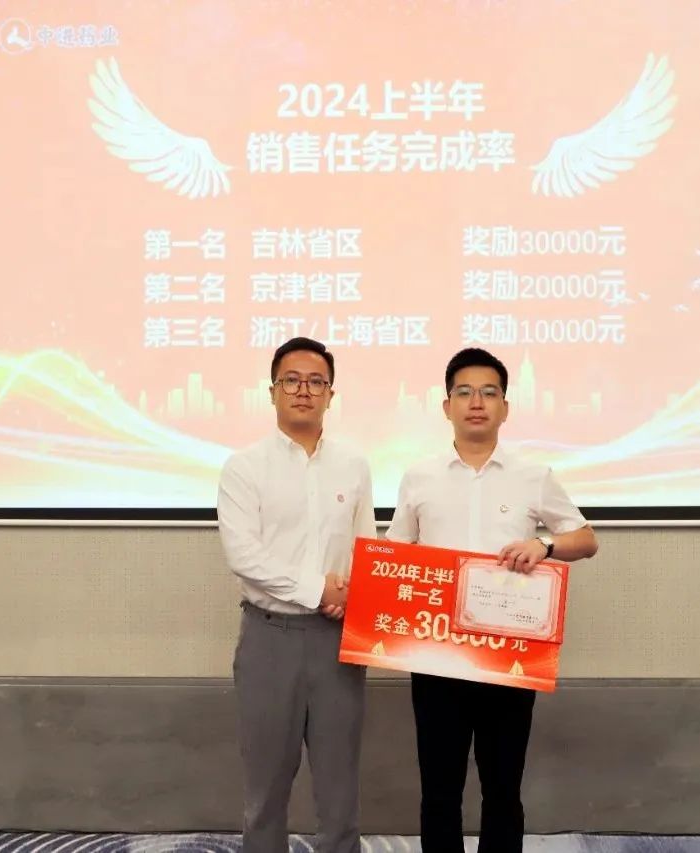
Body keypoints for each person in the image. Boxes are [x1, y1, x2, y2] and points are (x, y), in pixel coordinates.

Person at [386, 347, 598, 853]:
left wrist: (544, 545)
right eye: (464, 392)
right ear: (447, 407)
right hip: (437, 653)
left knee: (503, 787)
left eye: (488, 392)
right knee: (440, 789)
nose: (476, 402)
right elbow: (394, 554)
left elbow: (586, 539)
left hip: (509, 655)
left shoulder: (533, 475)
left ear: (505, 407)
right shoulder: (420, 476)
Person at [217, 336, 375, 853]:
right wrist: (318, 589)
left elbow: (366, 547)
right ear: (272, 392)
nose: (304, 390)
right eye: (292, 380)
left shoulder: (353, 466)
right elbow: (245, 556)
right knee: (266, 788)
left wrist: (352, 594)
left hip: (337, 640)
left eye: (316, 382)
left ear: (331, 393)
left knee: (339, 788)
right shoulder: (244, 467)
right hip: (270, 639)